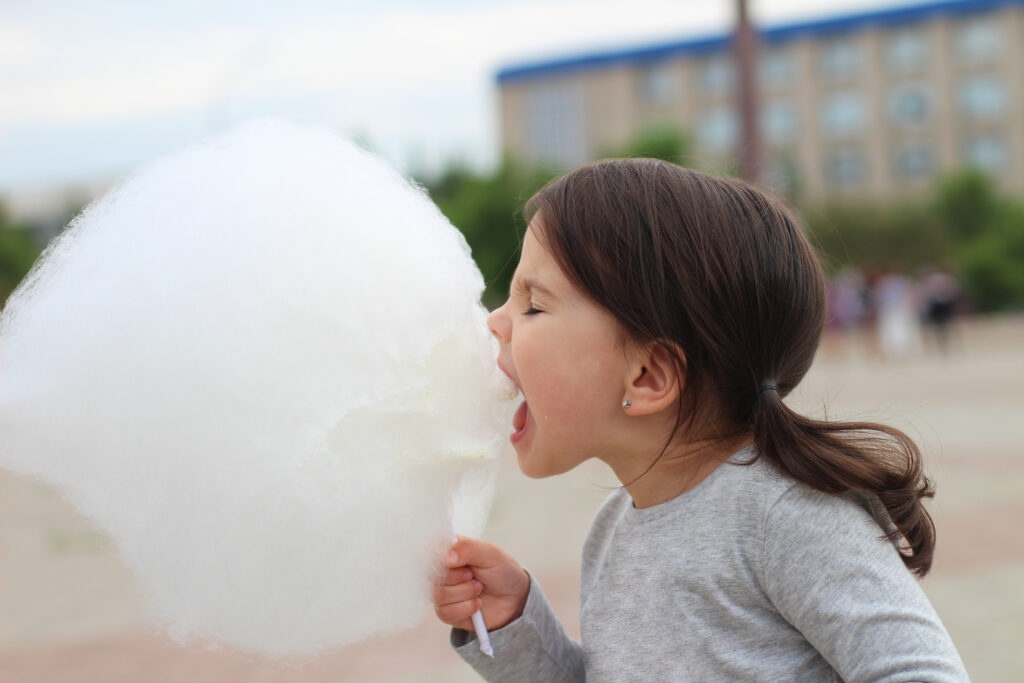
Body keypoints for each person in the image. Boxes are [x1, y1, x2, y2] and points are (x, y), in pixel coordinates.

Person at [432, 159, 967, 681]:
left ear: (647, 377)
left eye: (533, 304)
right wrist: (516, 625)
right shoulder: (613, 527)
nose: (496, 321)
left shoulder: (786, 516)